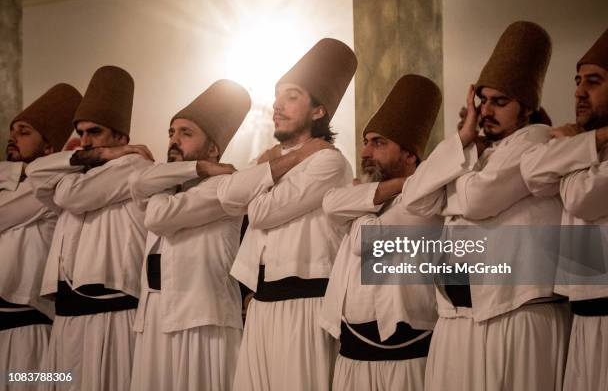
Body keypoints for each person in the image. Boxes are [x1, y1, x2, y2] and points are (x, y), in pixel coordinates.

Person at [402, 21, 570, 391]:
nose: (487, 110)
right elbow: (414, 198)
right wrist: (462, 140)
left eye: (500, 101)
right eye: (483, 100)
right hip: (460, 318)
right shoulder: (477, 151)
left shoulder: (535, 140)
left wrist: (455, 180)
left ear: (526, 106)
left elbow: (478, 200)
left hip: (513, 314)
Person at [217, 38, 356, 390]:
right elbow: (228, 195)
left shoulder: (329, 161)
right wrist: (290, 157)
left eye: (292, 95)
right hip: (262, 304)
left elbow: (261, 212)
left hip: (305, 304)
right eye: (278, 95)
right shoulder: (275, 160)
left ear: (318, 111)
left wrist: (269, 167)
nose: (277, 105)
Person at [27, 66, 153, 390]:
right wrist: (97, 154)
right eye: (80, 133)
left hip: (113, 312)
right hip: (68, 316)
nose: (84, 142)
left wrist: (107, 157)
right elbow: (36, 175)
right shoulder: (82, 169)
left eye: (94, 133)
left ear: (122, 138)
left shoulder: (134, 165)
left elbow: (74, 195)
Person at [320, 74, 443, 391]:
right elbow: (331, 204)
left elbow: (364, 240)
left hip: (406, 363)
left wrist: (360, 209)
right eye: (365, 142)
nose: (365, 152)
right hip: (351, 357)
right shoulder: (373, 194)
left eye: (379, 143)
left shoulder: (426, 202)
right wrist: (397, 185)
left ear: (409, 155)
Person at [128, 79, 251, 391]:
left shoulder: (223, 185)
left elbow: (159, 216)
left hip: (202, 319)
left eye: (186, 133)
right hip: (156, 315)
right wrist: (196, 168)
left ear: (212, 149)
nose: (173, 140)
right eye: (171, 132)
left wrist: (201, 173)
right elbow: (138, 183)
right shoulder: (167, 185)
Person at [521, 24, 608, 391]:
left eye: (593, 81)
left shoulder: (580, 147)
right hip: (583, 313)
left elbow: (581, 198)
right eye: (578, 81)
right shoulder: (591, 144)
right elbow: (532, 174)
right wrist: (591, 141)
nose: (578, 92)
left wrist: (569, 154)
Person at [0, 84, 81, 389]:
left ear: (48, 148)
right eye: (12, 130)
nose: (13, 137)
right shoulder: (8, 184)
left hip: (29, 326)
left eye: (24, 132)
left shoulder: (49, 186)